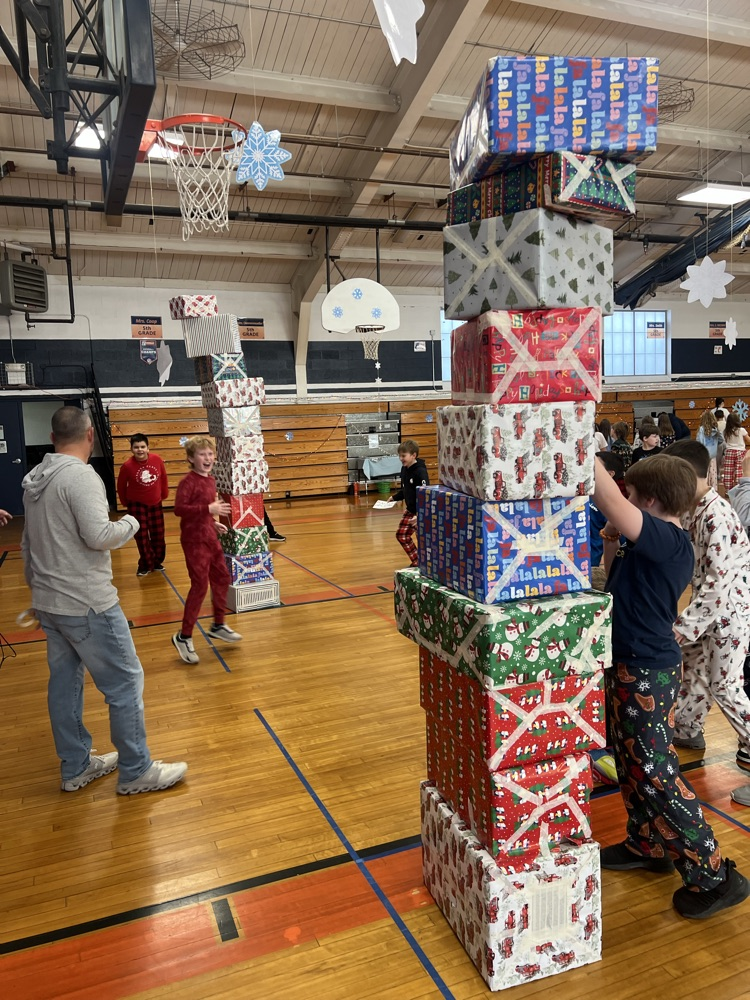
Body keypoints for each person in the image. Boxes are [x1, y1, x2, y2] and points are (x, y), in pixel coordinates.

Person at [593, 452, 749, 918]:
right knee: (631, 764)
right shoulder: (645, 541)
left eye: (633, 495)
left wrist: (575, 432)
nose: (627, 500)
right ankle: (649, 843)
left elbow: (606, 497)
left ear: (651, 500)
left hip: (646, 668)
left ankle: (715, 874)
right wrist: (611, 538)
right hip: (627, 663)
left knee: (657, 774)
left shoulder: (667, 539)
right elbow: (610, 572)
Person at [21, 406, 187, 795]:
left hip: (51, 603)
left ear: (51, 439)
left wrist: (34, 593)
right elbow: (99, 535)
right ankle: (136, 770)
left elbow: (28, 545)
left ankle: (76, 765)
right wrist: (132, 521)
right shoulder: (80, 476)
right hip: (87, 603)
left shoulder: (35, 479)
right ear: (91, 436)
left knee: (66, 685)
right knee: (126, 682)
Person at [662, 441, 750, 777]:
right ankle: (686, 728)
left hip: (729, 612)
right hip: (709, 611)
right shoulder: (694, 508)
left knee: (724, 684)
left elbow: (717, 581)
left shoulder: (715, 514)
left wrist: (682, 628)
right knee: (694, 669)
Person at [172, 435, 242, 664]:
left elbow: (203, 511)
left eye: (210, 454)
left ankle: (218, 624)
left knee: (222, 577)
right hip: (194, 542)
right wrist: (208, 508)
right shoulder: (187, 482)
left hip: (210, 537)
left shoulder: (210, 480)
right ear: (191, 458)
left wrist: (212, 522)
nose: (208, 457)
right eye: (202, 454)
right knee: (200, 586)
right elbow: (180, 509)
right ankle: (184, 636)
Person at [116, 433, 169, 577]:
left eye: (142, 447)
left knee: (158, 535)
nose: (140, 450)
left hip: (155, 503)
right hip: (137, 505)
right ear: (131, 449)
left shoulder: (157, 460)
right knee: (141, 536)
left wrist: (164, 494)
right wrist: (124, 502)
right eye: (136, 447)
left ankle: (156, 562)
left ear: (148, 447)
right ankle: (145, 564)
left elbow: (163, 477)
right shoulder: (127, 466)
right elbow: (121, 486)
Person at [589, 451, 625, 591]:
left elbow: (621, 544)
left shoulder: (611, 504)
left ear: (610, 474)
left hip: (591, 565)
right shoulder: (583, 493)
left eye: (596, 466)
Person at [390, 439, 429, 567]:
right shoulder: (405, 469)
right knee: (402, 535)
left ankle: (425, 564)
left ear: (413, 455)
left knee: (423, 540)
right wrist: (394, 498)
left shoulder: (420, 472)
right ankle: (418, 561)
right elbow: (406, 489)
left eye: (404, 456)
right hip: (410, 509)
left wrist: (420, 515)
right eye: (399, 455)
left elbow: (425, 495)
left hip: (420, 511)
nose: (401, 458)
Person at [696, 409, 725, 490]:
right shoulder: (715, 430)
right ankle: (713, 488)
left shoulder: (701, 429)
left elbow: (698, 441)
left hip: (703, 454)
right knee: (713, 473)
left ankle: (704, 488)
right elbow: (721, 440)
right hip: (712, 454)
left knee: (704, 472)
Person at [721, 411, 749, 491]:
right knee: (739, 470)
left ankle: (728, 489)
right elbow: (748, 440)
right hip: (740, 452)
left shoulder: (726, 431)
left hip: (729, 451)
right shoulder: (741, 430)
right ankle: (739, 488)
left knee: (728, 471)